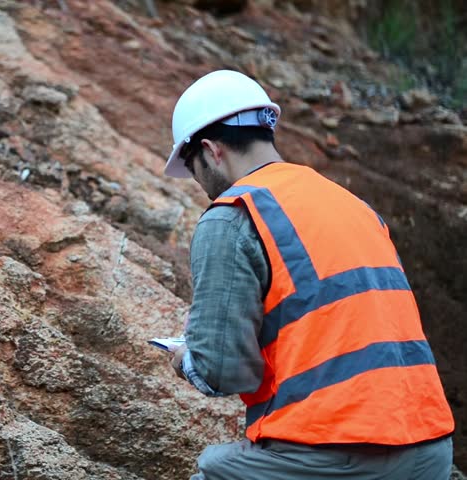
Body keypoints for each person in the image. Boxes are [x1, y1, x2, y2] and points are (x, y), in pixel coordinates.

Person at [164, 70, 455, 479]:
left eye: (193, 171)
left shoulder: (232, 216)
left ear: (211, 151)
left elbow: (223, 370)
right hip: (430, 448)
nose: (201, 186)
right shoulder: (350, 203)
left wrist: (188, 359)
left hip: (338, 453)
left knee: (211, 470)